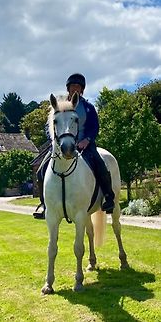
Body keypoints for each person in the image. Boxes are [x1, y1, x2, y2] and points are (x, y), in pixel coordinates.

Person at [33, 73, 115, 220]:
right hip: (61, 145)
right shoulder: (59, 106)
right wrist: (54, 140)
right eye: (73, 86)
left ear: (82, 89)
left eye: (78, 86)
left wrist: (87, 140)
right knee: (41, 170)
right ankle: (44, 204)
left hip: (84, 145)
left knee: (100, 164)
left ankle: (108, 197)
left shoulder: (88, 107)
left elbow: (94, 127)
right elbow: (50, 126)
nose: (75, 89)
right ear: (68, 89)